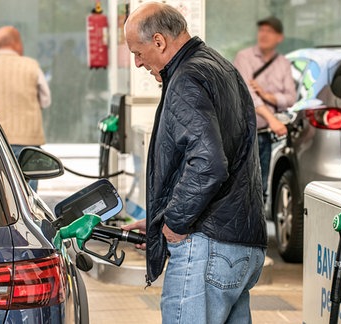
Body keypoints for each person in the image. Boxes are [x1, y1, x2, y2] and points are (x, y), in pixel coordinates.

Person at [121, 3, 267, 324]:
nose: (137, 62)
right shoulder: (221, 67)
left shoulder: (186, 79)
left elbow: (208, 162)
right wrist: (160, 217)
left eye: (138, 52)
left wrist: (174, 221)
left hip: (208, 246)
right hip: (241, 245)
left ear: (159, 42)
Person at [0, 26, 51, 192]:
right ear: (16, 43)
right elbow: (45, 100)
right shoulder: (31, 66)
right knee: (27, 191)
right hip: (26, 140)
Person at [233, 16, 297, 199]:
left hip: (269, 135)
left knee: (262, 187)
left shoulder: (282, 63)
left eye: (270, 31)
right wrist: (273, 119)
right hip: (246, 132)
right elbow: (247, 96)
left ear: (279, 38)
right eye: (262, 30)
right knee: (243, 186)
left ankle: (257, 226)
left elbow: (291, 97)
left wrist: (268, 96)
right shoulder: (244, 58)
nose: (264, 35)